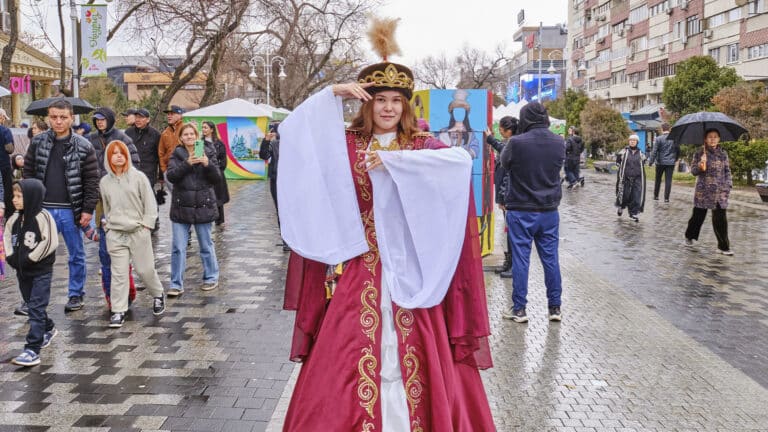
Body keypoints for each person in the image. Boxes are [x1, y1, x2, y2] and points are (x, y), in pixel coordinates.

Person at [278, 18, 494, 430]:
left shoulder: (420, 146)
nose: (388, 107)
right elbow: (295, 138)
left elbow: (459, 162)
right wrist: (330, 94)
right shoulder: (347, 144)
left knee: (420, 355)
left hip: (411, 275)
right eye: (380, 100)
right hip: (360, 268)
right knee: (343, 358)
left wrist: (398, 162)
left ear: (406, 105)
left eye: (396, 100)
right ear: (367, 104)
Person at [23, 99, 100, 312]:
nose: (58, 121)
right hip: (43, 208)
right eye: (54, 117)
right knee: (37, 253)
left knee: (76, 254)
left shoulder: (84, 146)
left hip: (71, 209)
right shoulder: (38, 142)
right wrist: (29, 205)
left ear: (71, 118)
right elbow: (28, 174)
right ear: (48, 116)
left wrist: (87, 209)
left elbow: (92, 181)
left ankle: (76, 294)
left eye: (63, 117)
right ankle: (33, 296)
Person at [500, 102, 565, 323]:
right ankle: (555, 308)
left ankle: (519, 309)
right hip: (549, 211)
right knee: (551, 259)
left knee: (521, 260)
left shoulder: (516, 142)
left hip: (520, 210)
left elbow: (504, 163)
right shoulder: (559, 142)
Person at [100, 140, 165, 328]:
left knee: (145, 269)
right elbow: (106, 206)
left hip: (138, 231)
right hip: (116, 233)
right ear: (108, 157)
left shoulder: (139, 178)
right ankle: (118, 310)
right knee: (119, 273)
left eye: (122, 152)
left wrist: (146, 226)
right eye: (114, 153)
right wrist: (108, 226)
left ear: (127, 155)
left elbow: (150, 204)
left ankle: (158, 293)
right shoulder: (104, 182)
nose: (118, 156)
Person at [88, 107, 140, 309]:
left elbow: (134, 164)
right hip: (100, 201)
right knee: (105, 252)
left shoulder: (122, 138)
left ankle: (126, 290)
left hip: (121, 200)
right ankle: (112, 297)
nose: (99, 123)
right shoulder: (91, 140)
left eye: (102, 119)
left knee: (120, 252)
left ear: (109, 120)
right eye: (96, 120)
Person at [4, 179, 59, 366]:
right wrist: (12, 258)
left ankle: (32, 349)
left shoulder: (43, 217)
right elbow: (6, 237)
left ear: (31, 197)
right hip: (22, 271)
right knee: (30, 303)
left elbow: (50, 241)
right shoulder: (15, 219)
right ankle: (48, 328)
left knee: (35, 306)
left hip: (41, 271)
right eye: (14, 196)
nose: (15, 200)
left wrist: (30, 258)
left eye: (19, 196)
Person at [165, 123, 221, 296]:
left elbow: (217, 178)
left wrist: (207, 164)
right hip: (182, 206)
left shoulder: (208, 151)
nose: (189, 137)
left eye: (192, 134)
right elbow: (171, 176)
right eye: (186, 134)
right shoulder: (176, 154)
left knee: (206, 245)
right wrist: (187, 163)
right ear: (181, 138)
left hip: (203, 205)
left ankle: (211, 277)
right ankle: (176, 283)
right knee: (178, 247)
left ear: (197, 137)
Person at [684, 128, 733, 255]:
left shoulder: (723, 154)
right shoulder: (700, 153)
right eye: (710, 137)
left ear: (719, 139)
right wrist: (701, 164)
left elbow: (727, 170)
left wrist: (728, 185)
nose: (713, 139)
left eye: (715, 136)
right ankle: (690, 236)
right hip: (703, 190)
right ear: (705, 139)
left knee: (720, 219)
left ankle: (723, 247)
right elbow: (694, 171)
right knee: (698, 216)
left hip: (720, 191)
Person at [485, 116, 518, 279]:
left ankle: (512, 266)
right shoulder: (510, 144)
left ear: (509, 130)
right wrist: (491, 139)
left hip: (509, 200)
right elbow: (500, 147)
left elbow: (506, 176)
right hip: (507, 198)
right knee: (507, 233)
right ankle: (508, 263)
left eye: (502, 129)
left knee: (511, 233)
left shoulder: (514, 145)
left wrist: (503, 199)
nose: (500, 131)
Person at [437, 89, 480, 158]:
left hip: (464, 166)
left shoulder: (471, 132)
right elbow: (438, 148)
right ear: (452, 113)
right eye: (456, 111)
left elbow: (475, 150)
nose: (459, 114)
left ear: (466, 113)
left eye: (462, 111)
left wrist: (462, 155)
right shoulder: (444, 131)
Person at [201, 121, 229, 226]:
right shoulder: (199, 143)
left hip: (217, 174)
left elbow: (223, 161)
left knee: (218, 197)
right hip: (204, 174)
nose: (203, 129)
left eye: (206, 127)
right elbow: (198, 156)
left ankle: (219, 220)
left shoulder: (219, 143)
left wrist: (215, 168)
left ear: (212, 130)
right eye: (202, 127)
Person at [615, 134, 647, 222]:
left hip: (637, 177)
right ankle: (621, 206)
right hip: (625, 177)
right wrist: (621, 171)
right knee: (624, 195)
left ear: (637, 142)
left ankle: (633, 213)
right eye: (631, 140)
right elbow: (618, 162)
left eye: (634, 140)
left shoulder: (641, 153)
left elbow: (644, 163)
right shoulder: (623, 152)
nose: (632, 142)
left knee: (636, 196)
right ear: (629, 141)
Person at [258, 123, 282, 237]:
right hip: (276, 179)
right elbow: (264, 155)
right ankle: (285, 239)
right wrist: (266, 140)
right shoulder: (273, 144)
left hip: (289, 181)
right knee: (280, 209)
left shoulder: (294, 144)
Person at [158, 105, 185, 194]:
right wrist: (164, 170)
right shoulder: (165, 133)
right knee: (175, 198)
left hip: (186, 170)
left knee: (186, 197)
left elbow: (198, 147)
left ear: (180, 115)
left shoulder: (187, 128)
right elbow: (161, 153)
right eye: (168, 114)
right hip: (169, 171)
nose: (169, 116)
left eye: (172, 114)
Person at [649, 122, 678, 202]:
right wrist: (675, 159)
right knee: (668, 180)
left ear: (662, 129)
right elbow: (678, 150)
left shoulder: (658, 139)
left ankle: (656, 196)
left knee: (658, 179)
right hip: (670, 163)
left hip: (660, 162)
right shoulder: (674, 138)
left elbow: (654, 151)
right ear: (669, 129)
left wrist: (650, 162)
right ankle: (666, 198)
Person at [0, 107, 14, 213]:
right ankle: (7, 214)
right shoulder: (5, 131)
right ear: (1, 117)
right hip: (3, 165)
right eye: (4, 117)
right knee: (7, 190)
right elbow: (9, 149)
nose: (4, 120)